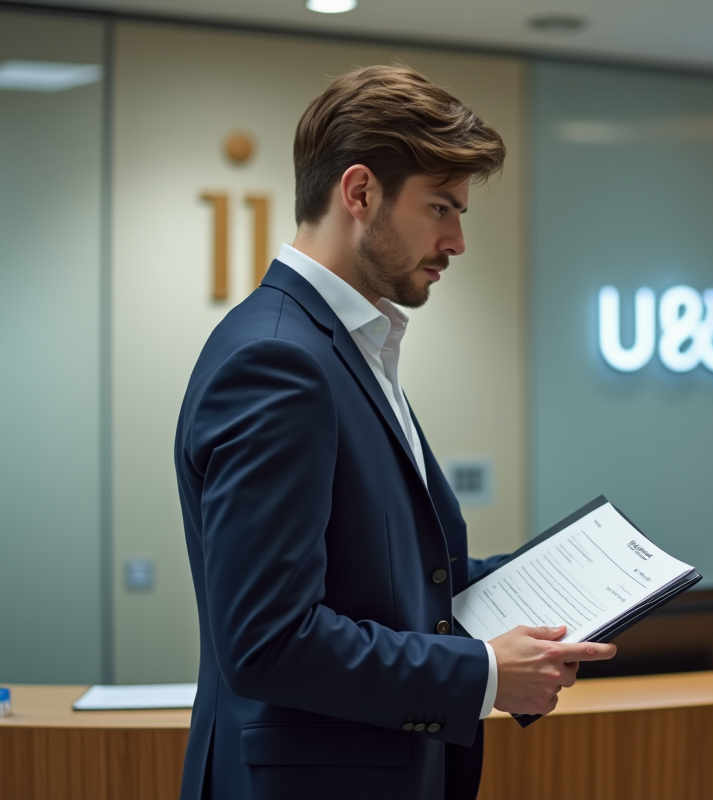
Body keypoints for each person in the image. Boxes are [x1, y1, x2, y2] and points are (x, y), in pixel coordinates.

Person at [174, 65, 615, 800]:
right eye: (441, 207)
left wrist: (543, 590)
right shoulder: (280, 357)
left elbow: (381, 579)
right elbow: (269, 639)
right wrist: (482, 673)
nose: (458, 240)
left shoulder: (347, 345)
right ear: (359, 193)